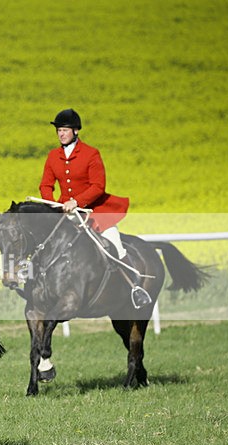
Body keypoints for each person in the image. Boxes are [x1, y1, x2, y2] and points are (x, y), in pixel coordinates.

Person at [39, 108, 152, 308]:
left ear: (75, 131)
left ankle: (135, 287)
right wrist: (51, 203)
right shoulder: (53, 156)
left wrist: (77, 202)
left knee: (114, 242)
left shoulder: (91, 154)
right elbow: (45, 185)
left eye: (65, 130)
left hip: (94, 211)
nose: (61, 134)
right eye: (59, 130)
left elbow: (98, 187)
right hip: (64, 212)